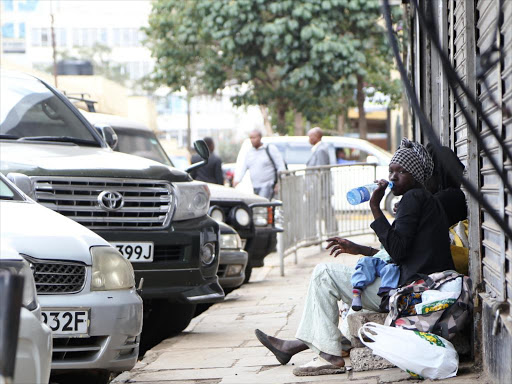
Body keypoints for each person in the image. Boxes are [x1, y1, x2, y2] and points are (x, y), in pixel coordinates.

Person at [255, 138, 456, 376]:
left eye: (401, 172)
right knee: (353, 277)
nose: (393, 177)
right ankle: (304, 345)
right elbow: (403, 250)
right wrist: (359, 249)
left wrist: (374, 207)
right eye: (391, 171)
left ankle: (330, 354)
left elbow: (398, 251)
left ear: (415, 175)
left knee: (324, 274)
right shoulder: (424, 200)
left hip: (409, 292)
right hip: (415, 283)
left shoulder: (413, 199)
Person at [233, 130, 286, 199]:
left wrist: (279, 182)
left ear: (260, 138)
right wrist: (237, 180)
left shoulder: (269, 149)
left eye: (254, 138)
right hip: (255, 186)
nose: (252, 140)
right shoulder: (249, 153)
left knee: (262, 205)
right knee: (259, 206)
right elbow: (243, 167)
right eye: (251, 138)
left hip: (268, 184)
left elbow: (280, 166)